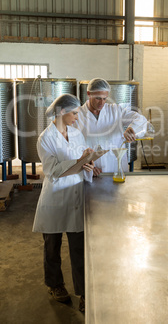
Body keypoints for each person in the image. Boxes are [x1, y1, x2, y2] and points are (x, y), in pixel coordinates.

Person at [32, 94, 94, 313]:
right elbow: (51, 171)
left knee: (79, 248)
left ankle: (84, 293)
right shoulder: (45, 138)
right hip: (56, 197)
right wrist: (78, 162)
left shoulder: (77, 133)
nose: (77, 117)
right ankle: (55, 285)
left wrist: (89, 163)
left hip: (76, 194)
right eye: (74, 113)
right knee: (52, 246)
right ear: (61, 112)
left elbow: (81, 158)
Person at [75, 78, 148, 175]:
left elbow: (141, 119)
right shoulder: (77, 115)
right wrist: (86, 165)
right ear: (89, 94)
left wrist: (132, 128)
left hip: (115, 168)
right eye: (98, 98)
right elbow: (72, 145)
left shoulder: (115, 111)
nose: (102, 103)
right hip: (91, 172)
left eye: (104, 98)